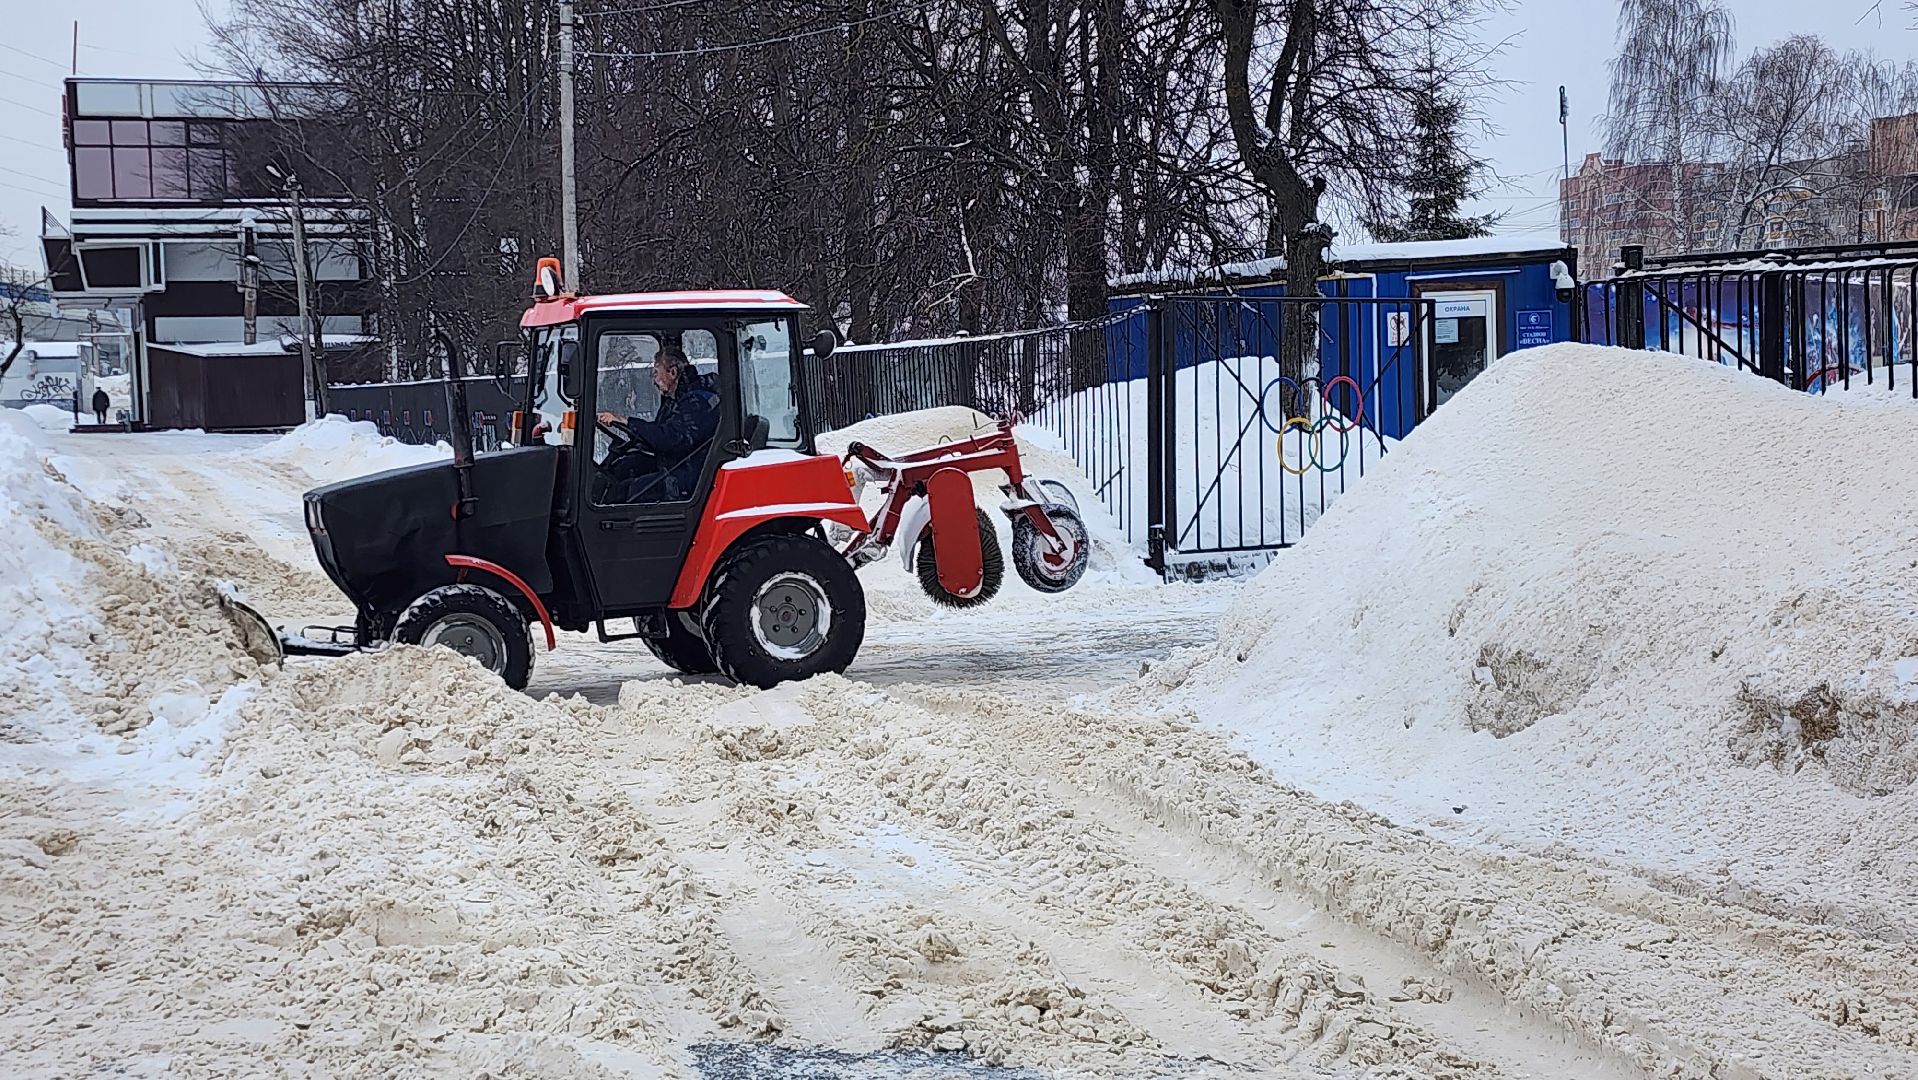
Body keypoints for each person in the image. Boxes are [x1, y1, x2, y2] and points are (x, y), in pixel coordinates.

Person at [597, 345, 719, 501]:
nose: (653, 381)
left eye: (655, 373)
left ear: (672, 372)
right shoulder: (676, 398)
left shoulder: (697, 401)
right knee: (624, 468)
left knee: (630, 491)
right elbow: (661, 431)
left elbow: (671, 439)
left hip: (691, 475)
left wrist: (627, 422)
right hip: (676, 464)